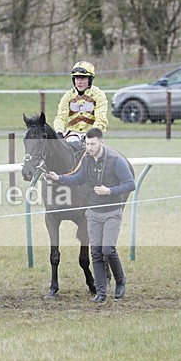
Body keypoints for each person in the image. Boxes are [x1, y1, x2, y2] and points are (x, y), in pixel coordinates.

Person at [46, 128, 134, 303]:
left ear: (102, 143)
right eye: (87, 144)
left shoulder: (116, 161)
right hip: (93, 212)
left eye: (93, 144)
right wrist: (59, 178)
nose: (89, 148)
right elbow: (78, 179)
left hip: (111, 212)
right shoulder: (86, 160)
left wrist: (109, 190)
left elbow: (130, 184)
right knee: (95, 252)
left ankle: (120, 281)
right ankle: (101, 292)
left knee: (107, 249)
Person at [53, 61, 108, 148]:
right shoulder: (67, 96)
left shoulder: (99, 95)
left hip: (92, 134)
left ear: (90, 79)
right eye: (76, 78)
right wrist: (59, 131)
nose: (79, 82)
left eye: (82, 78)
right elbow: (60, 117)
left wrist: (91, 134)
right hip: (71, 134)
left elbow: (101, 119)